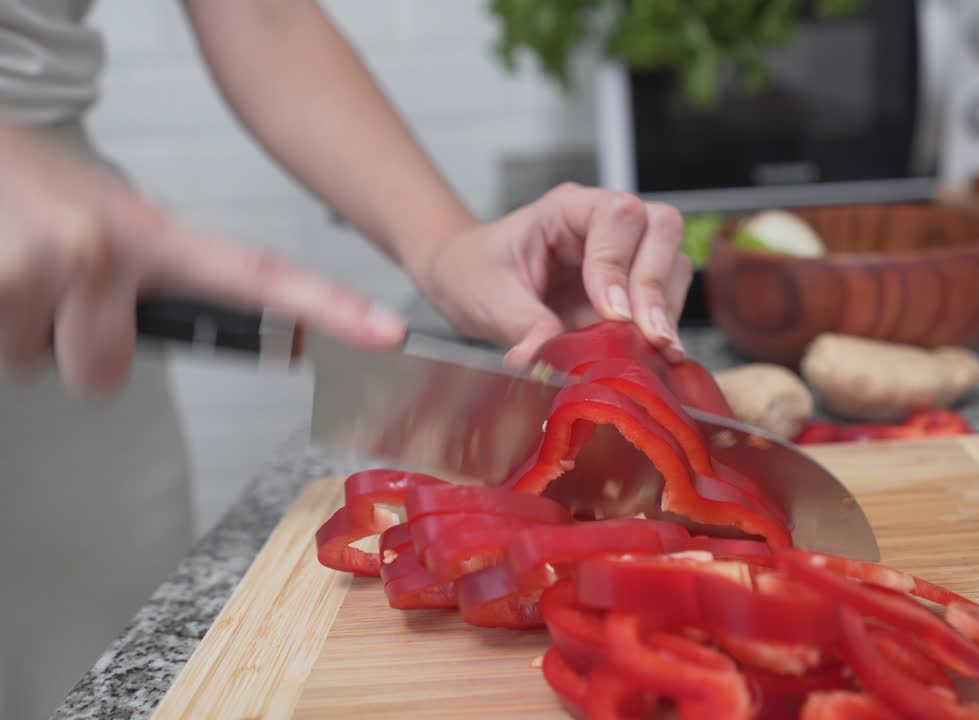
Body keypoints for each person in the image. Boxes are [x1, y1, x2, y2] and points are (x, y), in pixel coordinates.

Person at [0, 2, 691, 718]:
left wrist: (444, 245)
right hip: (35, 215)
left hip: (71, 279)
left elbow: (260, 15)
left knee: (98, 677)